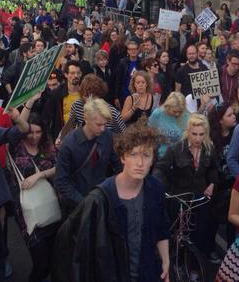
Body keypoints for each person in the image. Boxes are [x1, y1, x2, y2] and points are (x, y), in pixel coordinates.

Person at [53, 116, 170, 282]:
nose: (139, 162)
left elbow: (161, 227)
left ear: (153, 159)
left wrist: (165, 259)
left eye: (146, 155)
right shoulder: (100, 198)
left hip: (148, 273)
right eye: (133, 154)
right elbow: (84, 252)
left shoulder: (155, 188)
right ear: (122, 158)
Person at [153, 114, 219, 262]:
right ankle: (175, 261)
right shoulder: (175, 149)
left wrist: (212, 184)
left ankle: (194, 267)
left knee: (199, 234)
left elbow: (214, 169)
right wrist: (160, 188)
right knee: (177, 233)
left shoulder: (209, 148)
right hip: (179, 197)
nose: (197, 138)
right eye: (194, 134)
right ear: (188, 131)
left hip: (200, 199)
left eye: (201, 134)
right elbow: (159, 169)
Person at [8, 98, 57, 282]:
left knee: (53, 258)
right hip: (27, 211)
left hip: (49, 205)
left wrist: (39, 175)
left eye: (38, 132)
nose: (34, 136)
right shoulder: (16, 147)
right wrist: (29, 104)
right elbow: (18, 125)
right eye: (30, 132)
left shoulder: (47, 146)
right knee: (40, 262)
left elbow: (58, 167)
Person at [54, 97, 122, 215]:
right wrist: (85, 203)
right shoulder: (69, 144)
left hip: (101, 198)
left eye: (105, 124)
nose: (103, 129)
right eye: (99, 124)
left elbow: (117, 164)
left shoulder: (107, 136)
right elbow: (61, 182)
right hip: (77, 207)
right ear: (86, 119)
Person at [148, 92, 190, 157]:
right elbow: (149, 134)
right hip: (161, 155)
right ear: (168, 106)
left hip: (179, 157)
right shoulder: (157, 114)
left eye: (180, 111)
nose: (177, 114)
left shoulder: (186, 116)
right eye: (175, 111)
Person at [113, 39, 140, 108]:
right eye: (130, 49)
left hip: (138, 94)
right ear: (127, 51)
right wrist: (116, 96)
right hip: (124, 94)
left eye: (135, 49)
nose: (133, 51)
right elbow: (117, 80)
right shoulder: (122, 62)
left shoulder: (141, 62)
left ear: (137, 50)